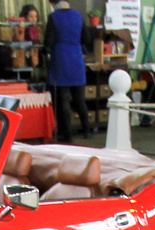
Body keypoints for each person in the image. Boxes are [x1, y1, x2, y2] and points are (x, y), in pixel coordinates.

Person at [44, 0, 94, 142]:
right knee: (79, 98)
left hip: (60, 58)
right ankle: (87, 130)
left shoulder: (53, 17)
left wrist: (46, 49)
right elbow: (87, 38)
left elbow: (48, 41)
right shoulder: (78, 16)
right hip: (76, 58)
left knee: (63, 99)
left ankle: (67, 134)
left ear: (53, 3)